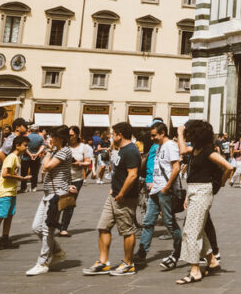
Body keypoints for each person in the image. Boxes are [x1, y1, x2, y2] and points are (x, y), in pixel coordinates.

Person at [175, 120, 232, 285]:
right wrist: (187, 196)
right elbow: (183, 149)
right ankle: (212, 261)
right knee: (198, 230)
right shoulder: (196, 150)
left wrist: (221, 182)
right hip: (193, 190)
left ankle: (195, 270)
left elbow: (229, 167)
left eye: (189, 133)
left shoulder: (208, 152)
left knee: (191, 231)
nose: (187, 136)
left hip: (202, 192)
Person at [83, 122, 142, 276]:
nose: (110, 136)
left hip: (125, 198)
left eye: (112, 134)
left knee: (127, 231)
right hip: (114, 195)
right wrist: (114, 189)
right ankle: (103, 262)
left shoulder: (131, 151)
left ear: (119, 135)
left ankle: (129, 264)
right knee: (103, 226)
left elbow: (133, 175)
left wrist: (122, 193)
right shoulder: (122, 150)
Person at [26, 126, 78, 276]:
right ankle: (57, 251)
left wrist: (48, 151)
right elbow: (45, 169)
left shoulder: (64, 151)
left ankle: (42, 263)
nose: (50, 139)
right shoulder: (56, 151)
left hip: (56, 195)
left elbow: (47, 167)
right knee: (36, 228)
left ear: (60, 138)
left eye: (53, 136)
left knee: (47, 229)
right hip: (48, 193)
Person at [136, 122, 184, 271]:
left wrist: (167, 186)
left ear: (163, 133)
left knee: (170, 223)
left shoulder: (170, 146)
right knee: (148, 222)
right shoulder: (158, 147)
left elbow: (176, 167)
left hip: (165, 191)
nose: (152, 138)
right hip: (155, 190)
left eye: (154, 135)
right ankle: (142, 253)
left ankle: (179, 249)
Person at [58, 126, 93, 237]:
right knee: (57, 201)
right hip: (62, 178)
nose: (70, 137)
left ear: (77, 135)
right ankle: (53, 224)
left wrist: (79, 164)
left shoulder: (84, 147)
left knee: (69, 203)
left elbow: (88, 162)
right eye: (68, 135)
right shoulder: (64, 146)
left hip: (76, 179)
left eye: (72, 135)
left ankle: (63, 228)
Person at [21, 125, 46, 193]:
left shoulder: (26, 137)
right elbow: (43, 146)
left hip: (26, 157)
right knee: (34, 172)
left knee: (24, 173)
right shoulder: (40, 137)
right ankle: (34, 187)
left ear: (30, 130)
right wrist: (37, 153)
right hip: (36, 157)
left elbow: (24, 146)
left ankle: (23, 187)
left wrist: (30, 154)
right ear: (38, 130)